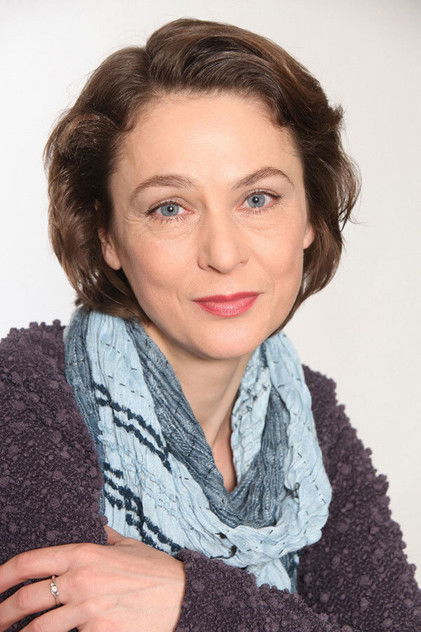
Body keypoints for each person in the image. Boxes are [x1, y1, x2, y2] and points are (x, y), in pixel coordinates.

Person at [0, 16, 420, 632]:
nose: (223, 254)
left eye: (258, 199)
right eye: (170, 208)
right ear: (107, 234)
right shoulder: (21, 397)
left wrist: (185, 601)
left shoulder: (307, 416)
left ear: (310, 216)